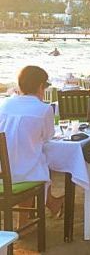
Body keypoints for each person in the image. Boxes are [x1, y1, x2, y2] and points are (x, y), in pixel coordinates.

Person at [0, 66, 63, 216]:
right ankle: (51, 204)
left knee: (29, 158)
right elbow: (48, 137)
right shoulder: (44, 109)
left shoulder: (4, 104)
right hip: (23, 174)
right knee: (36, 161)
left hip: (2, 170)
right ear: (41, 86)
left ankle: (47, 207)